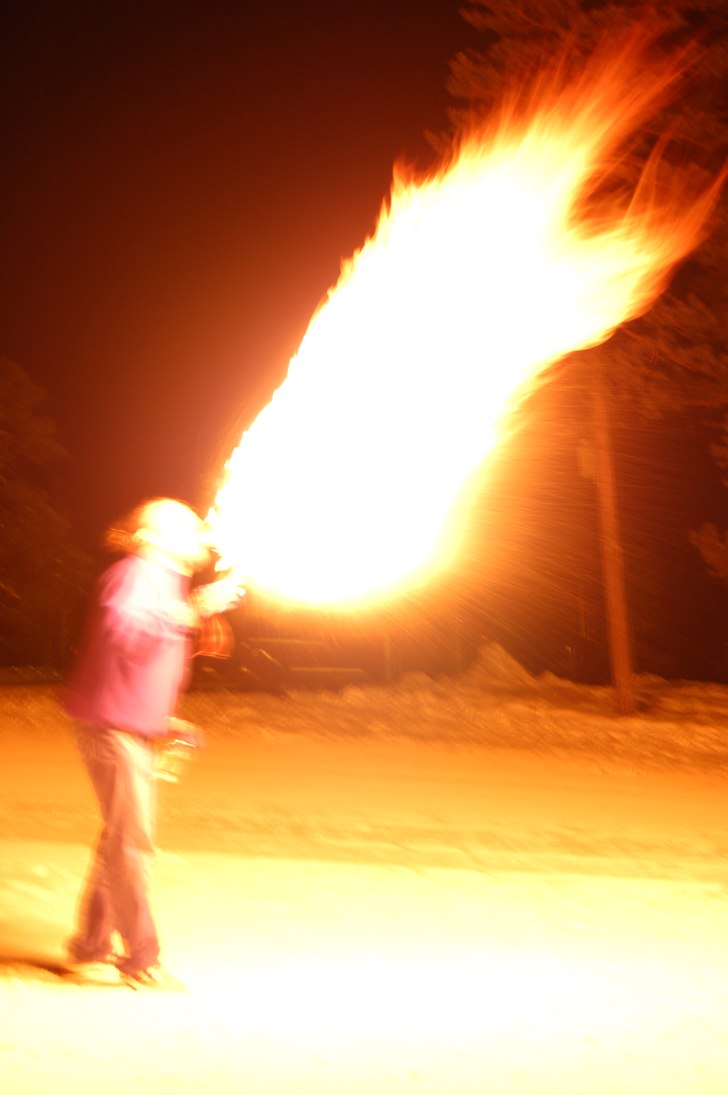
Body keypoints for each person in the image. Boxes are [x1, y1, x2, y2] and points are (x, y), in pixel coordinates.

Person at [63, 497, 242, 988]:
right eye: (187, 528)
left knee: (118, 842)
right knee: (131, 845)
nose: (199, 534)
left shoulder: (164, 582)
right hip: (111, 731)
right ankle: (140, 959)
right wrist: (193, 610)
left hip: (129, 725)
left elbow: (133, 663)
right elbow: (126, 633)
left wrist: (167, 721)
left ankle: (91, 946)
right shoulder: (137, 573)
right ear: (155, 537)